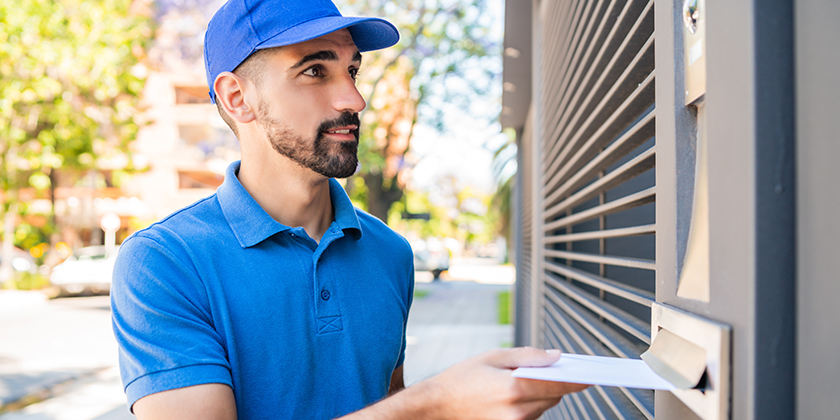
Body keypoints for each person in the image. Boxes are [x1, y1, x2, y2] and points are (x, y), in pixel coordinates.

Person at [110, 0, 588, 418]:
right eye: (315, 71)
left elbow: (389, 403)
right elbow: (411, 411)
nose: (354, 99)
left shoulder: (391, 253)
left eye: (352, 70)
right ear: (238, 98)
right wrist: (437, 405)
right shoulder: (163, 263)